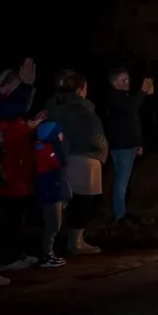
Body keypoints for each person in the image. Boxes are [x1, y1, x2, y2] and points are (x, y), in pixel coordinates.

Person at [47, 73, 109, 255]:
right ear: (81, 89)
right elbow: (95, 137)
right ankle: (75, 242)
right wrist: (102, 151)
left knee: (70, 201)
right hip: (84, 157)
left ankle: (65, 240)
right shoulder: (82, 110)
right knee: (82, 202)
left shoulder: (54, 105)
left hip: (62, 157)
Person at [0, 61, 37, 286]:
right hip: (5, 173)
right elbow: (10, 113)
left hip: (7, 171)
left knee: (4, 217)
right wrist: (27, 86)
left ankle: (9, 256)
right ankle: (2, 259)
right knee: (2, 219)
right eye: (14, 86)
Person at [0, 110, 47, 272]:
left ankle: (17, 254)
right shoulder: (0, 124)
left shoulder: (16, 122)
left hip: (21, 179)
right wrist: (27, 128)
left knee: (18, 220)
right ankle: (7, 258)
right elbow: (4, 141)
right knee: (9, 221)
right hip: (10, 182)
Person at [102, 68, 154, 225]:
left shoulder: (123, 98)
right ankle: (120, 215)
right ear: (114, 82)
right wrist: (142, 92)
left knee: (123, 179)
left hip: (127, 144)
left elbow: (133, 120)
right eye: (123, 80)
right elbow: (131, 108)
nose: (127, 83)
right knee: (122, 180)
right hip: (122, 145)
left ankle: (121, 211)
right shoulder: (116, 98)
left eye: (128, 80)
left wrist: (138, 143)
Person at [34, 120, 70, 268]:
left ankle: (48, 253)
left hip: (51, 192)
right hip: (51, 193)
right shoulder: (48, 150)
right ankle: (47, 254)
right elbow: (61, 163)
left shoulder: (41, 148)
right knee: (53, 225)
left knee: (52, 224)